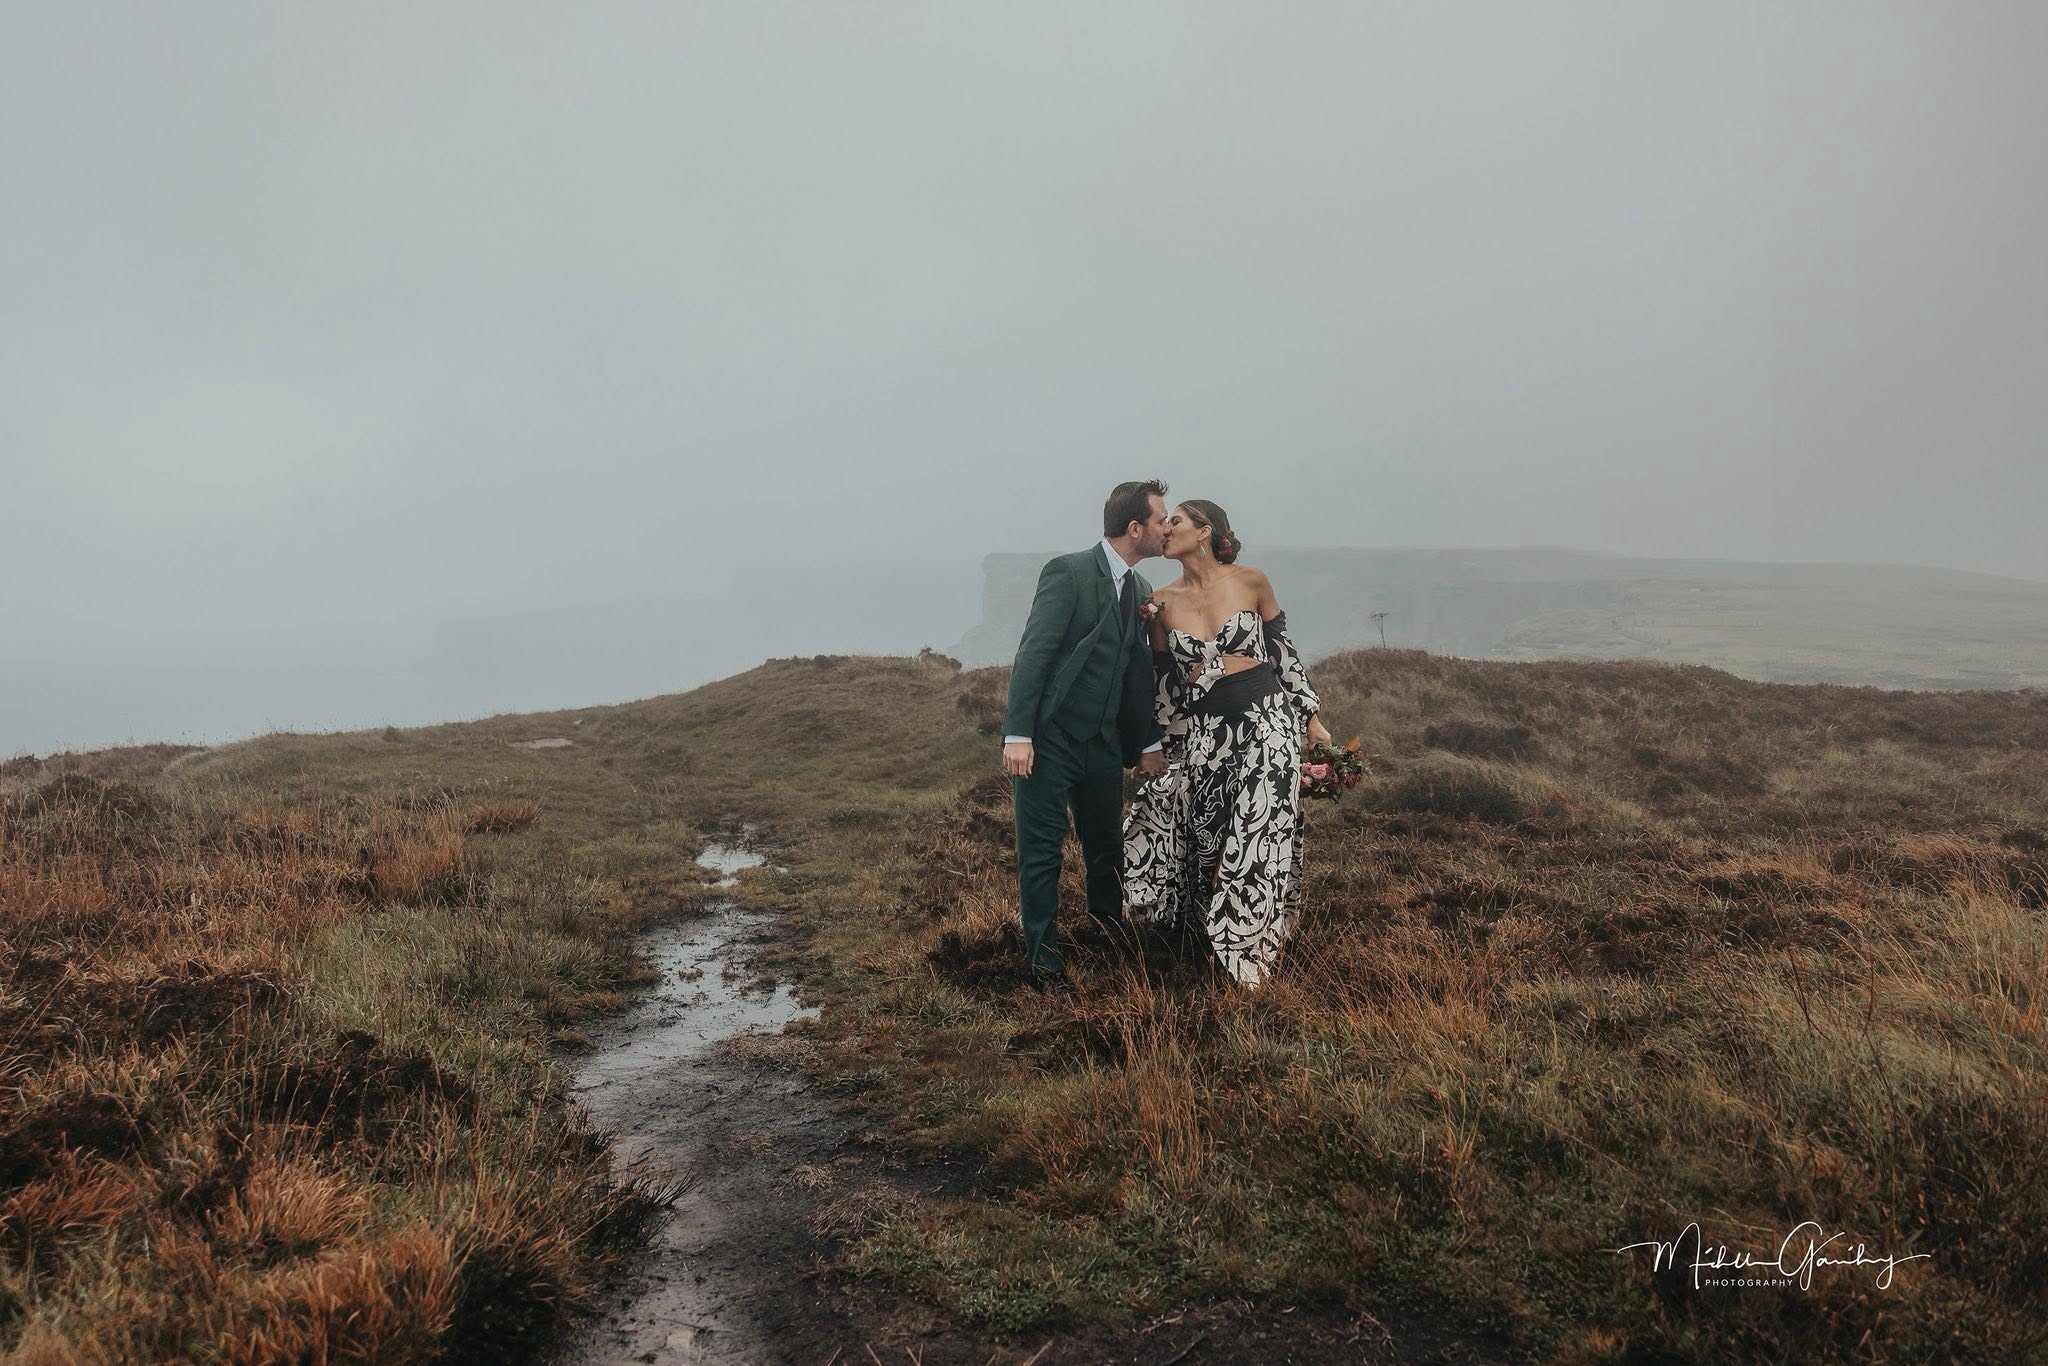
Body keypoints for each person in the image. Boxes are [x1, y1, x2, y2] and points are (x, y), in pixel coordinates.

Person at [1122, 499, 1331, 987]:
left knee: (1259, 830)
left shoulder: (1251, 580)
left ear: (1203, 531)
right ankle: (1203, 943)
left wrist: (1312, 718)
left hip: (1266, 719)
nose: (1165, 528)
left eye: (1175, 520)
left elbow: (1283, 652)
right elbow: (1163, 687)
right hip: (1205, 732)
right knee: (1210, 838)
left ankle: (1248, 953)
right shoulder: (1161, 602)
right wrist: (1158, 749)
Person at [1002, 481, 1172, 995]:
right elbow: (1035, 653)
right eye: (1162, 519)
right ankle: (1044, 964)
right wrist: (1018, 734)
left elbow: (1134, 673)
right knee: (1042, 851)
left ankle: (1107, 934)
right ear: (1134, 528)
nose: (1168, 528)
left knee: (1106, 848)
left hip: (1100, 743)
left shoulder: (1142, 593)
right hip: (1049, 739)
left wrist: (1145, 742)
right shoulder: (1069, 572)